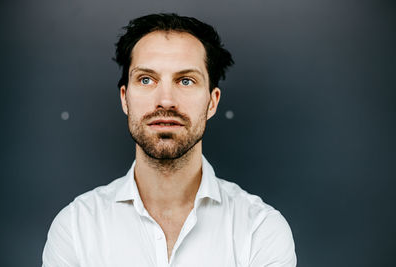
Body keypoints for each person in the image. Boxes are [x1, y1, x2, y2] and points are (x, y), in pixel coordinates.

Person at [42, 13, 297, 267]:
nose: (165, 100)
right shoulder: (75, 229)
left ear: (212, 102)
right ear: (124, 98)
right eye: (146, 79)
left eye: (186, 80)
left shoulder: (261, 230)